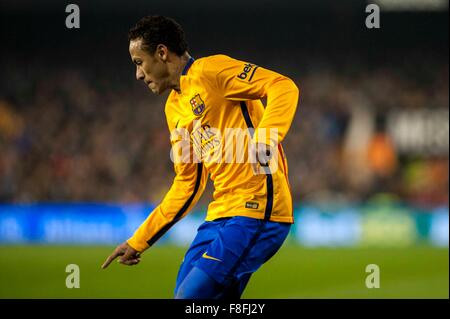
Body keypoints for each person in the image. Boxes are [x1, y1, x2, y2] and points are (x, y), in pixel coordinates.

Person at [101, 15, 300, 299]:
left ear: (161, 52)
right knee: (188, 296)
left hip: (258, 209)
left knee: (190, 298)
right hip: (220, 214)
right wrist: (139, 240)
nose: (138, 75)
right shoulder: (174, 109)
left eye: (139, 63)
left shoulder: (212, 71)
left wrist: (267, 136)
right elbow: (188, 184)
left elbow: (282, 86)